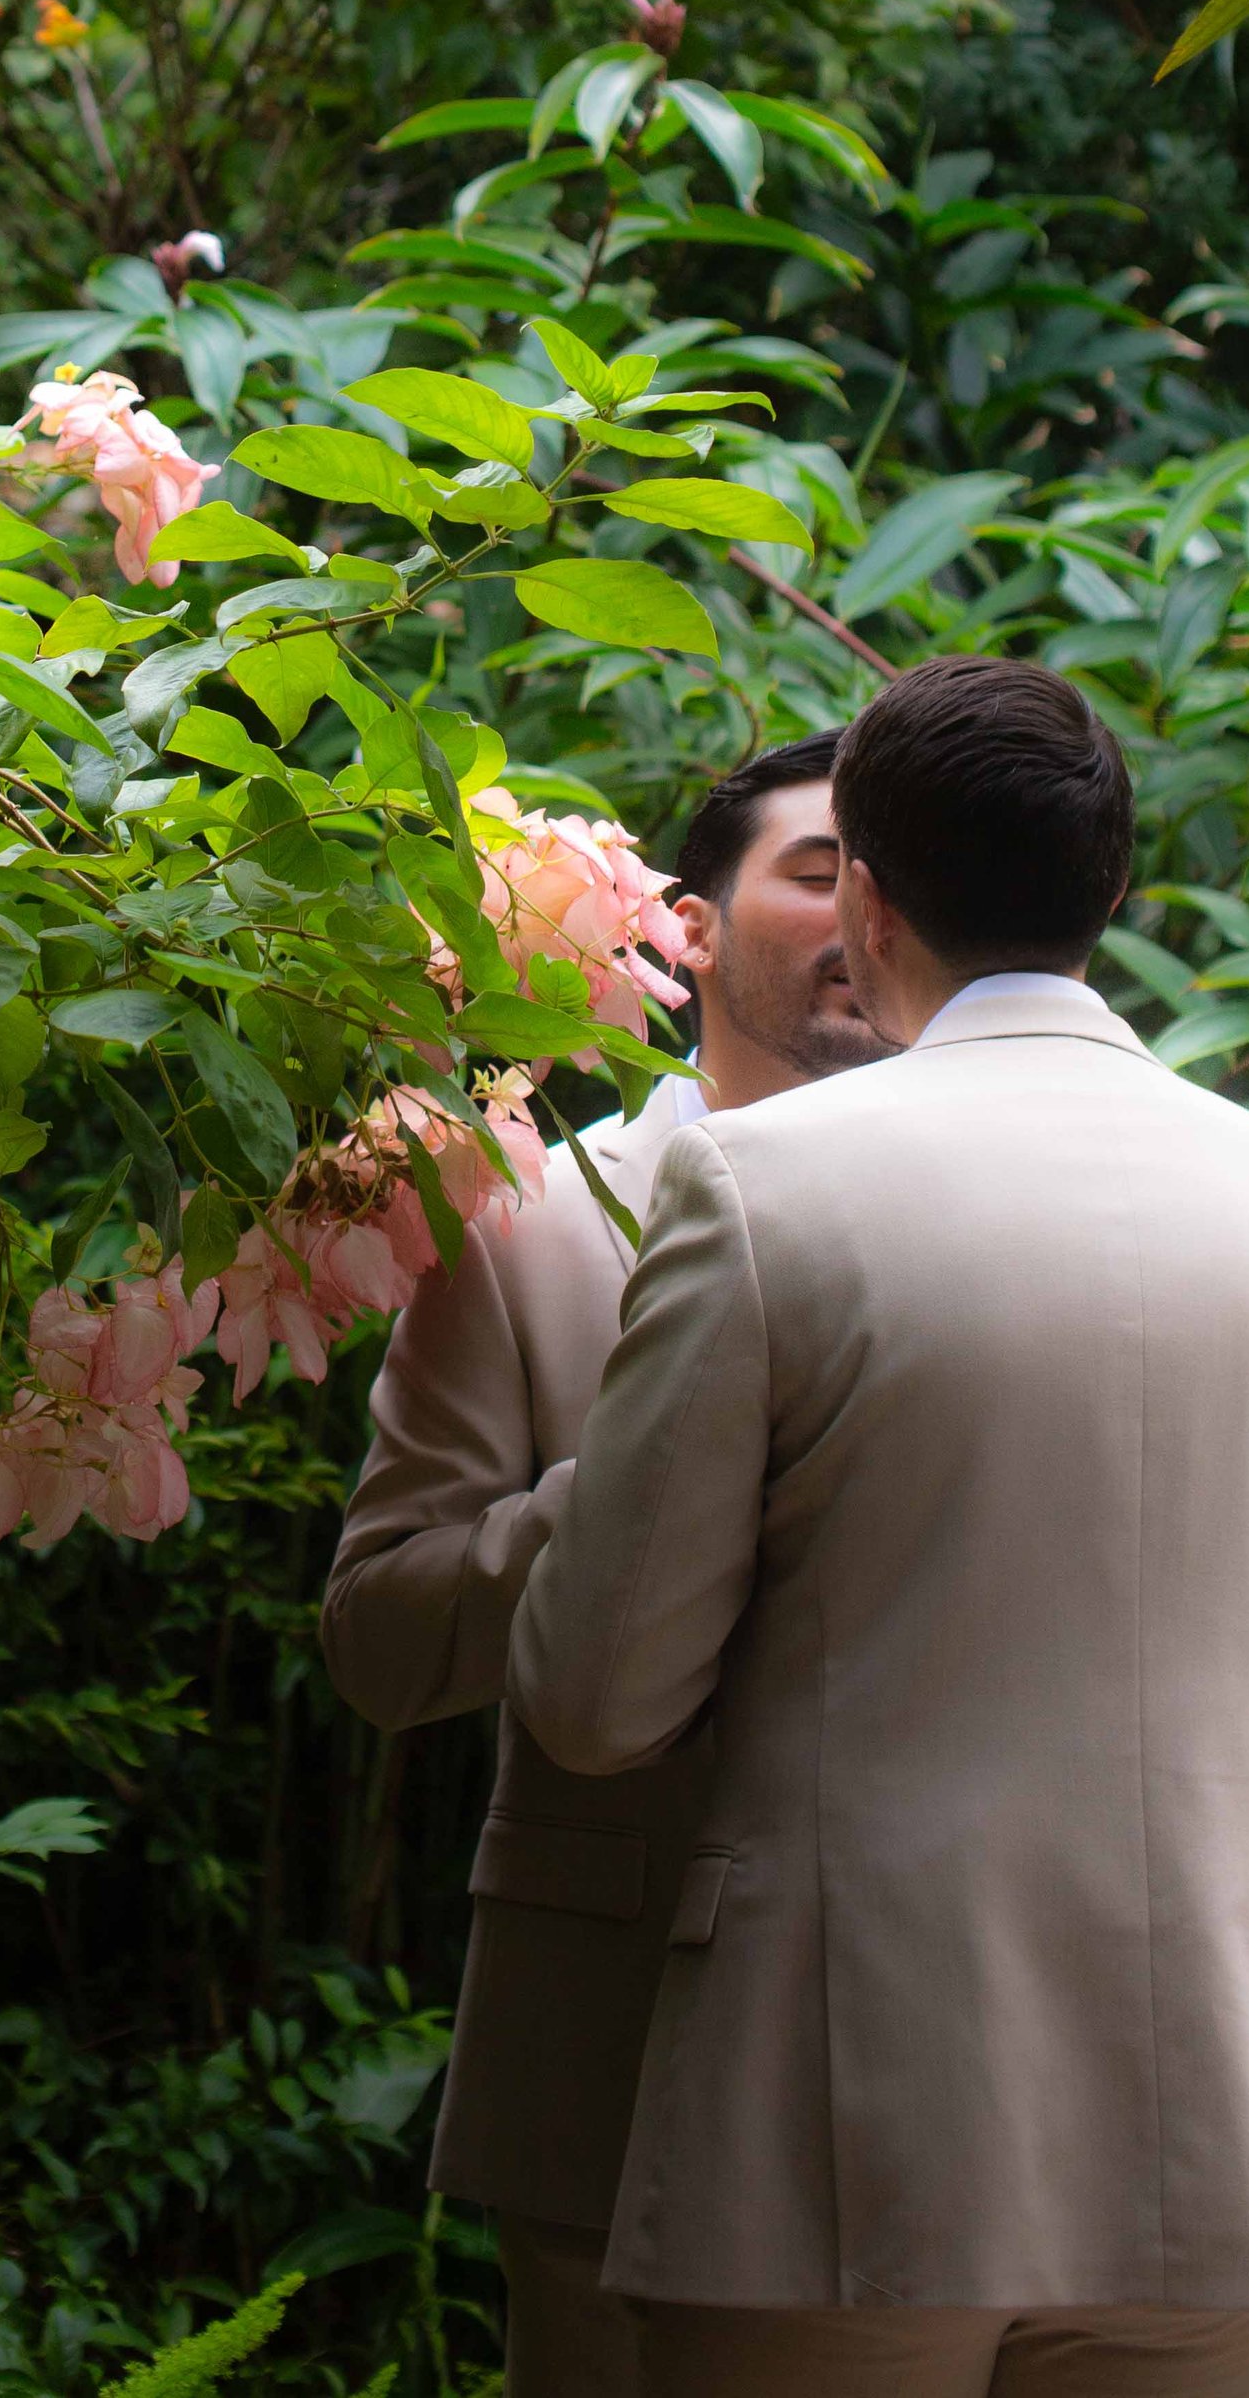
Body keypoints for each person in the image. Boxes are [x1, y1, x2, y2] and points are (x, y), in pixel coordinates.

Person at [511, 656, 1249, 2398]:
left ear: (867, 901)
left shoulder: (757, 1188)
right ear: (1113, 894)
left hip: (838, 2101)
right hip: (1222, 2123)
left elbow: (596, 1698)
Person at [322, 732, 893, 2398]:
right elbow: (378, 1636)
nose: (865, 907)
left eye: (890, 877)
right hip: (614, 2022)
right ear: (692, 929)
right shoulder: (526, 1222)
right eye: (818, 866)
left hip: (939, 2034)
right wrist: (630, 1481)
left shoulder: (1018, 1226)